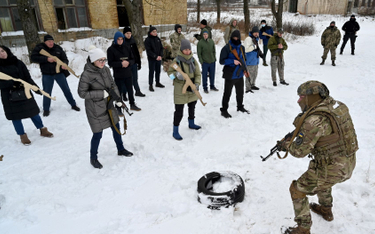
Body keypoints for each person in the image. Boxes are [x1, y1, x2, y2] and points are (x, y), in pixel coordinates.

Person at [278, 81, 358, 234]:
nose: (298, 101)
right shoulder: (337, 107)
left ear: (311, 97)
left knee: (297, 189)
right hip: (348, 163)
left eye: (302, 97)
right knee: (320, 176)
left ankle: (303, 229)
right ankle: (326, 210)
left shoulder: (314, 120)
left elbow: (299, 151)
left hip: (333, 168)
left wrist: (286, 145)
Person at [78, 46, 134, 169]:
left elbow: (113, 85)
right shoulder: (86, 75)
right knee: (97, 134)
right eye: (100, 60)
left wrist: (118, 100)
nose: (103, 62)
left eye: (104, 60)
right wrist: (100, 94)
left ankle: (121, 149)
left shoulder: (106, 70)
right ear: (93, 61)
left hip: (108, 105)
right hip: (95, 109)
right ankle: (93, 158)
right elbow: (82, 93)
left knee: (116, 128)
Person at [0, 45, 53, 145]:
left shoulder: (17, 62)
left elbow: (27, 77)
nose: (1, 53)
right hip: (9, 95)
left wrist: (35, 88)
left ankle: (42, 129)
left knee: (33, 112)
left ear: (7, 51)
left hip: (25, 91)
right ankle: (22, 135)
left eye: (2, 51)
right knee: (15, 117)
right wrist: (11, 83)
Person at [31, 34, 80, 117]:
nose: (51, 43)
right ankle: (46, 109)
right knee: (47, 92)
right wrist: (46, 59)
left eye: (52, 41)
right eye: (49, 41)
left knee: (66, 90)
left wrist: (65, 64)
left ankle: (73, 104)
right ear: (45, 42)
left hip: (59, 73)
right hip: (47, 74)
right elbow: (33, 58)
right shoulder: (39, 48)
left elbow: (64, 58)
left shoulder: (58, 48)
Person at [167, 39, 201, 140]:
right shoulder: (176, 61)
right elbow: (169, 73)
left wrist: (197, 83)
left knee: (192, 107)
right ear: (181, 50)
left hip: (192, 88)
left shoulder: (193, 60)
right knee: (179, 112)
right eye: (185, 49)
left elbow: (198, 74)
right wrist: (176, 75)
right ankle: (175, 131)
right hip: (180, 89)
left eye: (189, 49)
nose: (187, 51)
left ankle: (191, 123)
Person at [219, 30, 249, 118]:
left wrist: (245, 70)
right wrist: (233, 61)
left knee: (240, 92)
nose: (236, 39)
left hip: (240, 74)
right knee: (227, 93)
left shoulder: (242, 48)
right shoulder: (227, 48)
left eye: (237, 38)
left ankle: (240, 107)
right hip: (230, 74)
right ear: (231, 38)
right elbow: (221, 60)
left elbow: (244, 59)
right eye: (234, 38)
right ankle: (224, 110)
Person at [107, 31, 141, 112]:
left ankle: (132, 104)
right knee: (119, 92)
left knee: (130, 90)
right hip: (118, 74)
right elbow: (110, 63)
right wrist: (121, 64)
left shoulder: (127, 47)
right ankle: (118, 107)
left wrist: (128, 63)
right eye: (118, 39)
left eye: (121, 39)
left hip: (128, 73)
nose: (120, 41)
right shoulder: (111, 50)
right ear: (115, 40)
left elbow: (133, 59)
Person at [123, 27, 146, 97]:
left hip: (134, 63)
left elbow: (136, 53)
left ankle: (137, 91)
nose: (129, 35)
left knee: (135, 79)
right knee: (126, 79)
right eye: (127, 33)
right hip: (127, 64)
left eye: (130, 33)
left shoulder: (132, 40)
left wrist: (139, 62)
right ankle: (124, 93)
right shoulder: (122, 42)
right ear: (124, 34)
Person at [144, 25, 165, 92]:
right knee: (151, 71)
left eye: (156, 31)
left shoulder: (157, 39)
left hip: (158, 58)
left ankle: (157, 82)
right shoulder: (147, 40)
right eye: (153, 32)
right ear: (150, 32)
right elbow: (148, 50)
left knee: (158, 71)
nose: (155, 33)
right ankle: (150, 84)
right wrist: (155, 56)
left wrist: (160, 55)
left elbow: (161, 48)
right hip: (152, 59)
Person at [197, 29, 218, 94]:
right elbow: (199, 53)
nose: (205, 36)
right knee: (204, 75)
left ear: (208, 35)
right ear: (202, 35)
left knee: (212, 74)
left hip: (212, 61)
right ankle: (205, 87)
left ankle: (212, 86)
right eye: (204, 34)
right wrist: (201, 61)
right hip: (205, 62)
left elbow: (214, 50)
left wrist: (214, 58)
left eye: (206, 34)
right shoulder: (200, 43)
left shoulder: (211, 41)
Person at [243, 26, 263, 92]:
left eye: (257, 32)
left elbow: (257, 49)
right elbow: (245, 49)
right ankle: (248, 88)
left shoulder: (256, 39)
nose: (256, 34)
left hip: (255, 61)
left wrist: (260, 54)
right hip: (250, 61)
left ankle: (252, 85)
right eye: (255, 32)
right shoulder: (248, 39)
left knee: (255, 74)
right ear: (252, 32)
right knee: (249, 75)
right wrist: (253, 47)